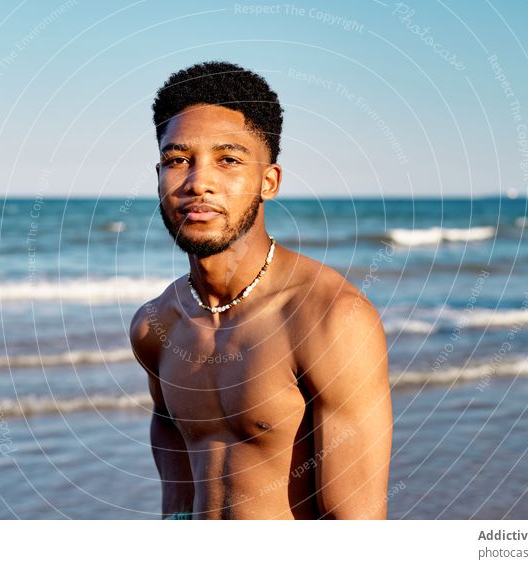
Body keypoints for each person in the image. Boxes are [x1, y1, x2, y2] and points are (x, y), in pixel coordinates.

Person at [129, 61, 392, 519]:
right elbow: (171, 440)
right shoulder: (156, 327)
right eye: (177, 160)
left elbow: (355, 528)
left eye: (227, 160)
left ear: (267, 182)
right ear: (159, 176)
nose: (198, 182)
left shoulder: (330, 319)